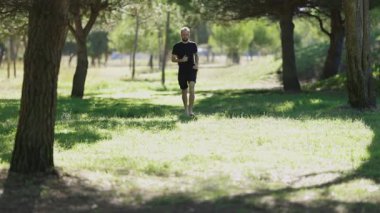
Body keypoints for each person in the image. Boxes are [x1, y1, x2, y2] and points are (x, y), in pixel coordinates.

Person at [171, 27, 199, 116]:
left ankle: (190, 110)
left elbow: (196, 56)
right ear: (181, 35)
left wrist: (197, 64)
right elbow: (172, 59)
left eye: (186, 34)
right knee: (184, 90)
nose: (185, 36)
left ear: (189, 34)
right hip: (182, 70)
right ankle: (186, 109)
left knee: (191, 87)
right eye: (183, 34)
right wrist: (181, 60)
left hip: (192, 69)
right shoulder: (177, 46)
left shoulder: (193, 45)